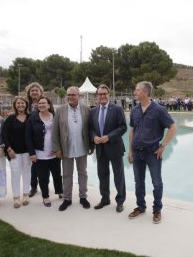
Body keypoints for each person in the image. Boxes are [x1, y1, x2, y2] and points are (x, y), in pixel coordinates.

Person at [127, 81, 176, 224]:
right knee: (138, 182)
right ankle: (141, 207)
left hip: (152, 152)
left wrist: (163, 146)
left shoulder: (159, 110)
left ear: (146, 92)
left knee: (156, 183)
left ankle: (157, 210)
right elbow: (132, 131)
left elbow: (172, 128)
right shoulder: (135, 110)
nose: (135, 92)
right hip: (137, 152)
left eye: (137, 90)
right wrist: (130, 150)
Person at [52, 86, 93, 211]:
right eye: (68, 95)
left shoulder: (86, 109)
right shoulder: (60, 110)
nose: (70, 97)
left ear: (78, 96)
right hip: (66, 148)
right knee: (67, 174)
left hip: (82, 147)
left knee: (82, 173)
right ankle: (67, 199)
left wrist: (91, 145)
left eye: (73, 95)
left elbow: (91, 129)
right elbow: (55, 131)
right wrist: (57, 148)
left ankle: (83, 197)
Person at [89, 84, 127, 213]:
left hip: (115, 148)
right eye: (100, 94)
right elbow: (91, 129)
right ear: (97, 96)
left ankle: (120, 201)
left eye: (104, 93)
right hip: (100, 149)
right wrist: (94, 137)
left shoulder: (117, 109)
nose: (102, 96)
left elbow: (123, 127)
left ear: (108, 95)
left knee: (118, 176)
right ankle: (105, 199)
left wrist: (108, 137)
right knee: (103, 176)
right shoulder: (93, 111)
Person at [25, 96, 63, 207]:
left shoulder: (55, 116)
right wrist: (32, 153)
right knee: (43, 177)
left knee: (57, 175)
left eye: (44, 103)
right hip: (40, 154)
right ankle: (45, 197)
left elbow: (61, 133)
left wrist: (59, 149)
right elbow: (28, 136)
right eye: (39, 103)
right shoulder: (33, 118)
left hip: (55, 152)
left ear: (49, 105)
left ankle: (59, 191)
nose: (41, 105)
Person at [2, 96, 31, 208]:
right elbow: (5, 135)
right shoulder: (10, 118)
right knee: (15, 174)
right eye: (18, 103)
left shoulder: (31, 117)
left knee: (27, 173)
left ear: (26, 105)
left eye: (22, 103)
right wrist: (9, 149)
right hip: (14, 152)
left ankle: (25, 195)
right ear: (15, 105)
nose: (20, 105)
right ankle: (16, 197)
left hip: (28, 151)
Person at [25, 82, 44, 197]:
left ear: (41, 92)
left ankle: (45, 185)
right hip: (29, 138)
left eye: (37, 90)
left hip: (42, 138)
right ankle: (33, 186)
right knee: (33, 165)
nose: (34, 92)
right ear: (29, 93)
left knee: (45, 164)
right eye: (32, 90)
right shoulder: (26, 105)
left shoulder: (45, 103)